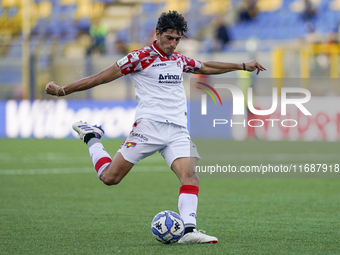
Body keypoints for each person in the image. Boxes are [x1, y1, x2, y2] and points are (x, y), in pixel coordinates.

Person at [46, 10, 266, 244]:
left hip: (178, 130)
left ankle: (189, 230)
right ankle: (91, 137)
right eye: (169, 38)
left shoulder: (179, 60)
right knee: (110, 178)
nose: (173, 44)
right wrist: (63, 90)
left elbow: (206, 66)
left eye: (177, 39)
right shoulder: (138, 57)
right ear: (157, 34)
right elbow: (101, 77)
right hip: (148, 129)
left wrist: (242, 65)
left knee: (190, 176)